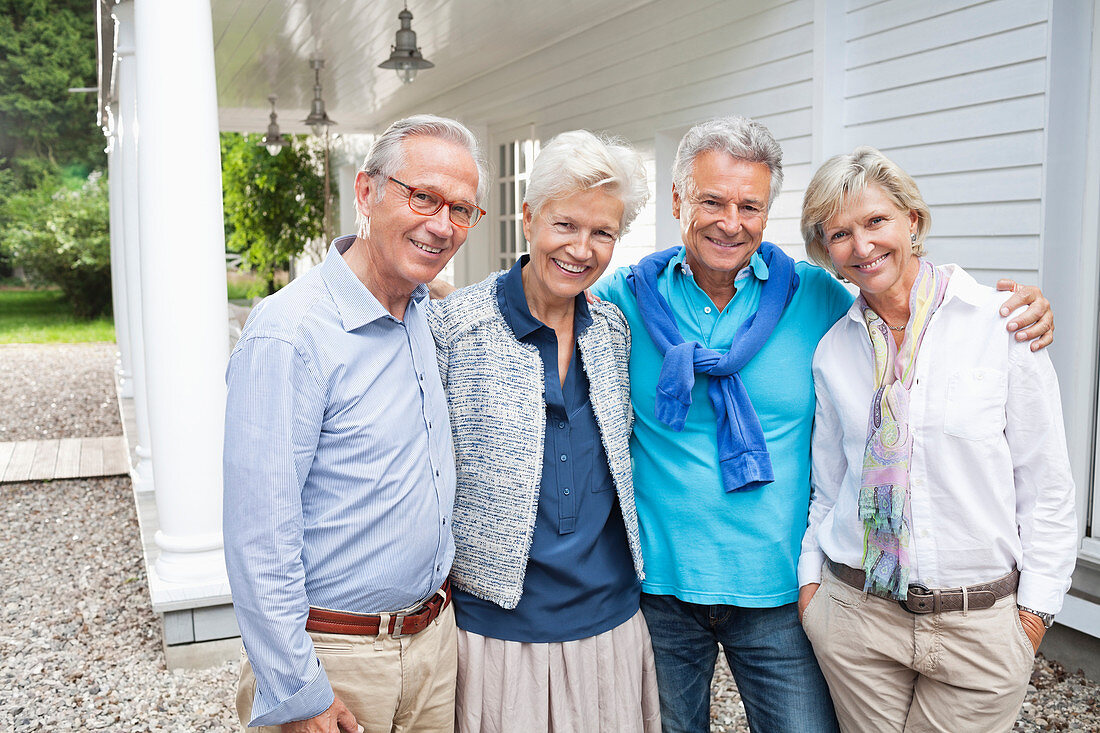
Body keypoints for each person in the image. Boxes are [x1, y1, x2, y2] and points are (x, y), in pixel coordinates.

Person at [588, 116, 1055, 732]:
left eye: (749, 205)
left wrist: (1019, 310)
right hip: (660, 590)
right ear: (677, 200)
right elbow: (546, 306)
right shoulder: (622, 297)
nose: (731, 221)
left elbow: (901, 296)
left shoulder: (816, 300)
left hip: (781, 593)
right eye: (711, 200)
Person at [796, 146, 1077, 733]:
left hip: (979, 623)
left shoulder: (1002, 325)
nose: (863, 245)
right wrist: (812, 593)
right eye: (841, 233)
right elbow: (827, 488)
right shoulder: (834, 351)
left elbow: (1045, 486)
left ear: (913, 221)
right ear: (828, 253)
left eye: (876, 221)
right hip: (857, 617)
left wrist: (1032, 618)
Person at [223, 114, 487, 733]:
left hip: (432, 645)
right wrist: (296, 691)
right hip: (335, 657)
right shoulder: (290, 334)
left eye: (461, 210)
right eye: (422, 196)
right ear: (366, 193)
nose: (441, 225)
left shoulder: (423, 309)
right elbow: (257, 536)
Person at [427, 130, 661, 732]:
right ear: (528, 218)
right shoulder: (455, 328)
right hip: (497, 626)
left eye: (603, 232)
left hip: (610, 618)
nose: (582, 248)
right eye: (565, 225)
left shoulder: (612, 332)